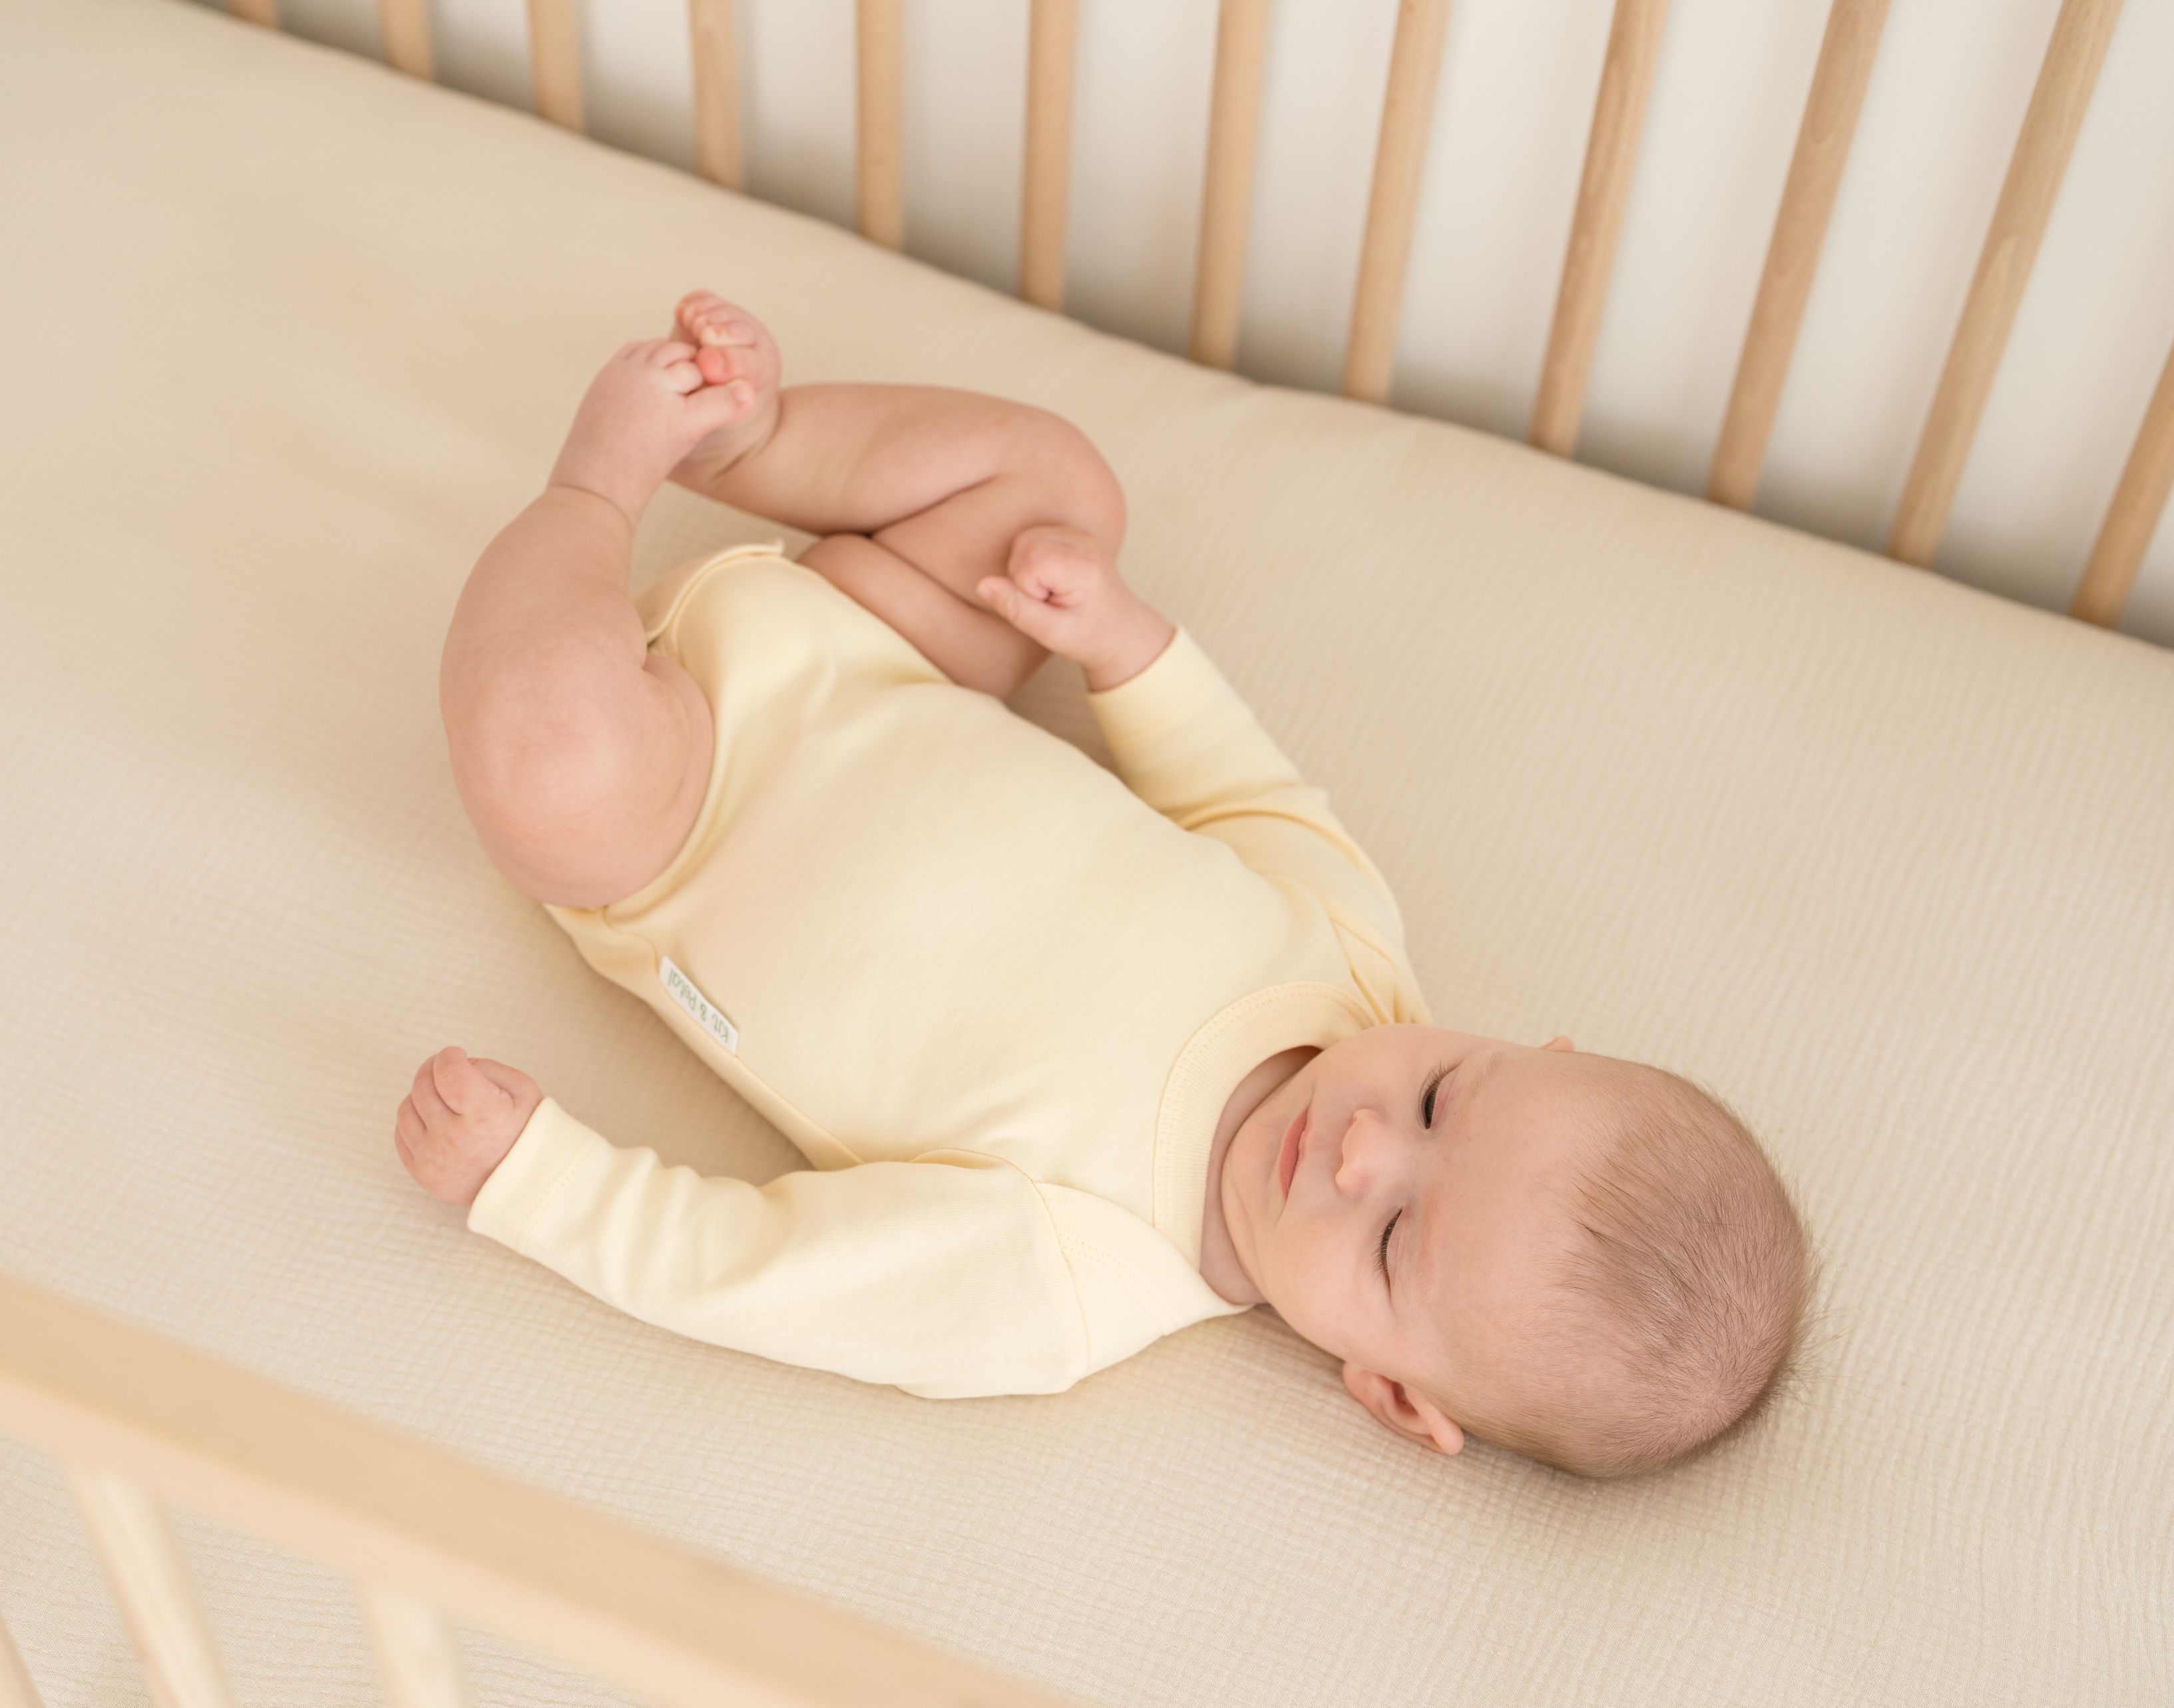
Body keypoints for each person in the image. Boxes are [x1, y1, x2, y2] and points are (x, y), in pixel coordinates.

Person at [397, 293, 1813, 1480]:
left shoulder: (1069, 1277)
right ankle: (757, 440)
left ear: (1388, 1389)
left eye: (1392, 1242)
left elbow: (766, 1271)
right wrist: (1122, 642)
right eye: (1445, 1096)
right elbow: (1239, 787)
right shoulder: (1353, 952)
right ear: (1522, 1044)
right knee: (1054, 490)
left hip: (678, 812)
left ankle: (595, 484)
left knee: (548, 759)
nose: (1362, 1146)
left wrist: (544, 1183)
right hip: (886, 646)